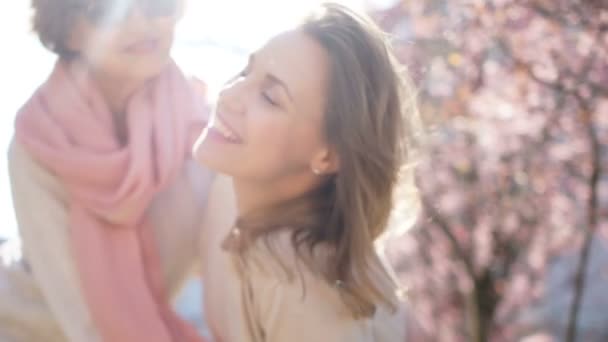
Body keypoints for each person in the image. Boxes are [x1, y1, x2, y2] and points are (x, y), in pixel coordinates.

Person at [194, 3, 421, 341]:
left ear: (328, 155)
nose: (229, 95)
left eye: (270, 97)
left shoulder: (297, 280)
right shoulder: (240, 207)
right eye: (245, 72)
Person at [1, 0, 223, 341]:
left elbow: (238, 263)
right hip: (27, 326)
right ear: (70, 32)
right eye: (105, 10)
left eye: (155, 4)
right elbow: (84, 315)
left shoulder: (201, 130)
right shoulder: (37, 145)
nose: (139, 22)